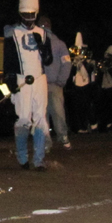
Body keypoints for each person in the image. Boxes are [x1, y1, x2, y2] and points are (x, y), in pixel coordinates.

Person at [3, 0, 53, 170]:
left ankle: (39, 160)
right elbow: (8, 59)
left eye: (32, 15)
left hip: (39, 79)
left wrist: (43, 48)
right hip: (22, 79)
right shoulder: (11, 32)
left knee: (40, 119)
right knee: (23, 119)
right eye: (26, 15)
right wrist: (10, 79)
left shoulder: (43, 33)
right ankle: (22, 156)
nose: (29, 19)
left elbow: (48, 61)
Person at [38, 16, 71, 150]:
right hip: (42, 84)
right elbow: (67, 63)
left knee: (56, 113)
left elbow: (66, 63)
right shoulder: (36, 43)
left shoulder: (58, 44)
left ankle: (61, 136)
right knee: (44, 114)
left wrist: (61, 80)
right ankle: (48, 141)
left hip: (53, 84)